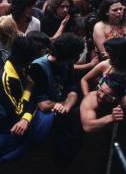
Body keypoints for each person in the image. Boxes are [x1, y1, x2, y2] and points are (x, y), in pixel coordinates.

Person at [0, 36, 52, 162]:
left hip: (23, 116)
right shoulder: (6, 80)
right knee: (48, 118)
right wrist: (29, 90)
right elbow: (18, 112)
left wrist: (26, 117)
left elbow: (32, 96)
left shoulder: (20, 67)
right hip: (8, 126)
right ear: (24, 57)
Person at [30, 33, 84, 167]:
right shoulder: (38, 67)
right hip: (42, 111)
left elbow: (72, 89)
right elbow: (43, 104)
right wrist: (63, 104)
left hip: (63, 106)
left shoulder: (68, 63)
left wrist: (66, 106)